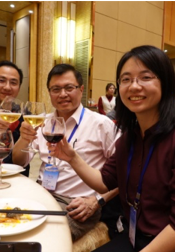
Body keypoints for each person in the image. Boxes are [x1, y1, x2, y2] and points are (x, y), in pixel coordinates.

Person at [48, 45, 175, 252]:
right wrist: (72, 158)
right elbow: (105, 182)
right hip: (137, 237)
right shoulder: (130, 137)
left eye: (145, 77)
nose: (134, 86)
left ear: (165, 83)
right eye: (126, 79)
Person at [12, 64, 122, 241]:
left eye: (69, 88)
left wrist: (96, 201)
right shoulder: (43, 122)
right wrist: (23, 139)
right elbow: (18, 163)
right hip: (43, 195)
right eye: (56, 89)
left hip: (77, 204)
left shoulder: (101, 124)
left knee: (42, 238)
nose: (62, 94)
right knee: (9, 224)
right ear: (49, 92)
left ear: (81, 90)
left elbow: (125, 173)